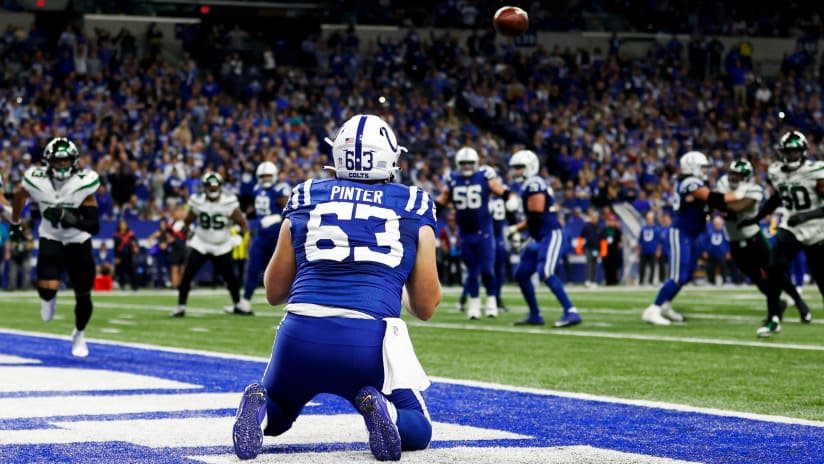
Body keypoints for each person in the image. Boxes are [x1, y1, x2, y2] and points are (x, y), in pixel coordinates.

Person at [230, 114, 441, 461]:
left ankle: (262, 407)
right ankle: (385, 410)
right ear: (390, 158)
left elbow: (273, 291)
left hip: (298, 334)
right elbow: (426, 306)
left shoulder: (307, 194)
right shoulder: (413, 203)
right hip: (367, 341)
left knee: (279, 413)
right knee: (418, 428)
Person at [10, 137, 101, 357]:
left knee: (83, 295)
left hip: (78, 241)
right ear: (48, 162)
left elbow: (93, 226)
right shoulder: (35, 179)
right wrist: (15, 222)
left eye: (66, 161)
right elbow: (19, 196)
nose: (62, 165)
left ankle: (79, 334)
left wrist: (69, 218)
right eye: (58, 161)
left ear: (74, 161)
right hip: (51, 238)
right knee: (47, 290)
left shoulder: (84, 182)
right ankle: (49, 298)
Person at [740, 131, 824, 336]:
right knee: (773, 267)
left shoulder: (816, 170)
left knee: (822, 278)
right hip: (790, 226)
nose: (790, 156)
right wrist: (757, 217)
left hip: (816, 228)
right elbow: (778, 197)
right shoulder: (776, 171)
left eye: (795, 152)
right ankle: (773, 318)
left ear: (803, 152)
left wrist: (805, 216)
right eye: (787, 151)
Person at [642, 151, 735, 325]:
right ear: (692, 167)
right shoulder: (690, 181)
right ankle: (653, 309)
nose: (705, 170)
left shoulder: (695, 182)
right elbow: (709, 197)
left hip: (692, 234)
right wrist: (738, 196)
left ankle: (665, 306)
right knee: (678, 276)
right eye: (703, 167)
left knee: (686, 276)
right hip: (681, 233)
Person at [716, 159, 809, 327]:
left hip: (754, 238)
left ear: (746, 177)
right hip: (734, 239)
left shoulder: (754, 189)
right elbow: (722, 203)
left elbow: (738, 207)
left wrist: (719, 201)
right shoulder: (723, 182)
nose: (733, 178)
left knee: (774, 271)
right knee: (756, 277)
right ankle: (777, 304)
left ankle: (799, 302)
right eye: (732, 174)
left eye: (738, 175)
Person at [435, 147, 518, 319]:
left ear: (475, 164)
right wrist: (428, 215)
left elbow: (502, 192)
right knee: (472, 271)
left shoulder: (484, 177)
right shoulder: (452, 180)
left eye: (469, 164)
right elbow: (441, 202)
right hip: (465, 233)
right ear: (458, 164)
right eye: (463, 164)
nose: (466, 167)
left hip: (484, 232)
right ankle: (474, 305)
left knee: (487, 270)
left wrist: (511, 199)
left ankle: (491, 302)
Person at [505, 150, 581, 327]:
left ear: (530, 167)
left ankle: (571, 311)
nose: (516, 172)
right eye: (514, 168)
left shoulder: (534, 184)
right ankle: (535, 314)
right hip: (538, 236)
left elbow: (536, 217)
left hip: (551, 233)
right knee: (521, 274)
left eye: (520, 168)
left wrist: (516, 228)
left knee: (545, 272)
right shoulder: (528, 185)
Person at [171, 171, 248, 317]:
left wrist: (239, 236)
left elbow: (243, 223)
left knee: (231, 277)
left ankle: (238, 304)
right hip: (201, 243)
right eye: (210, 186)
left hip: (222, 244)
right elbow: (188, 220)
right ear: (205, 186)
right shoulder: (198, 201)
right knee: (187, 275)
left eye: (215, 186)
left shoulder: (228, 202)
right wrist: (186, 230)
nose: (212, 189)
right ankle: (181, 306)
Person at [234, 161, 291, 314]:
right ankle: (245, 301)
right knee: (253, 266)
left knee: (283, 269)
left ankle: (294, 301)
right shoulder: (257, 189)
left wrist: (276, 218)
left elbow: (291, 210)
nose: (266, 179)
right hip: (261, 235)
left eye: (268, 176)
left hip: (277, 236)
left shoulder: (281, 189)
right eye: (263, 176)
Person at [701, 216, 730, 285]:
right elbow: (705, 241)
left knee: (723, 267)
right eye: (716, 223)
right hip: (712, 252)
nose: (717, 225)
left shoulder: (724, 231)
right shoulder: (710, 231)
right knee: (711, 268)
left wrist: (728, 252)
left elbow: (728, 242)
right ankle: (711, 281)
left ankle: (725, 280)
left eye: (718, 223)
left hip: (721, 253)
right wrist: (705, 250)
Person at [8, 219, 34, 290]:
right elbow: (11, 242)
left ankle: (26, 287)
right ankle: (12, 287)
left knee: (26, 272)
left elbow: (31, 245)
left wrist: (25, 245)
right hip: (15, 255)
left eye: (24, 224)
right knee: (13, 272)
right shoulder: (14, 232)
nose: (23, 226)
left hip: (25, 255)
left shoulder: (28, 233)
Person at [113, 219, 139, 290]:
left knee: (132, 271)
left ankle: (134, 286)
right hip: (121, 255)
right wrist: (116, 257)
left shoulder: (131, 234)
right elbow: (115, 247)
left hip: (129, 254)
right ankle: (122, 285)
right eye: (122, 225)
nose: (123, 226)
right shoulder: (116, 235)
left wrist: (135, 246)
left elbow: (135, 242)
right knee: (121, 271)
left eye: (124, 224)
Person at [581, 209, 603, 287]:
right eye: (593, 217)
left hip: (596, 249)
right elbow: (581, 237)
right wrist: (579, 248)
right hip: (588, 247)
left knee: (594, 264)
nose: (594, 219)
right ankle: (588, 280)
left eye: (596, 217)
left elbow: (603, 239)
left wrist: (603, 250)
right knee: (588, 263)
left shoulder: (599, 227)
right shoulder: (587, 226)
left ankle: (593, 280)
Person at [638, 211, 659, 285]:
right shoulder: (643, 228)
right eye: (647, 218)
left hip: (652, 250)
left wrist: (658, 250)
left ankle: (650, 281)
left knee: (652, 267)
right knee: (642, 267)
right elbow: (640, 240)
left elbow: (658, 241)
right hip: (644, 250)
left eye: (650, 218)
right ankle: (641, 281)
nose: (649, 220)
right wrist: (639, 250)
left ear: (653, 219)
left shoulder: (656, 228)